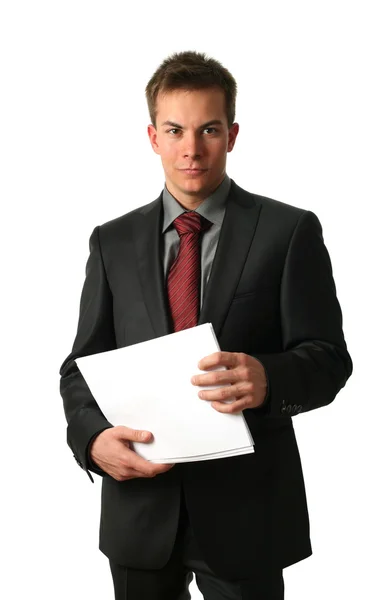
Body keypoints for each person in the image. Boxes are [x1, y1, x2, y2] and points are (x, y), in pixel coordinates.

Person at [59, 50, 353, 600]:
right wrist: (91, 438)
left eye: (208, 129)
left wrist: (268, 378)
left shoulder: (288, 232)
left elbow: (330, 358)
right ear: (153, 137)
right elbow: (80, 368)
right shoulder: (111, 241)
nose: (191, 149)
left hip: (248, 514)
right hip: (139, 512)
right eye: (175, 130)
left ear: (232, 134)